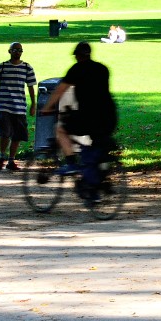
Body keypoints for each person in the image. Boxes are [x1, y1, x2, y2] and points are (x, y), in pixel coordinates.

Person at [39, 41, 117, 202]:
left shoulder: (77, 69)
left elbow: (59, 91)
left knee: (61, 129)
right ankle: (93, 190)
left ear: (77, 56)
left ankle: (71, 163)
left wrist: (46, 108)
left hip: (89, 116)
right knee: (96, 148)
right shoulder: (103, 69)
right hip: (108, 116)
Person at [0, 42, 36, 172]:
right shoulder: (1, 67)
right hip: (4, 105)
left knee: (17, 135)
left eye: (20, 50)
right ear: (9, 51)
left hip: (20, 107)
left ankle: (11, 160)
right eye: (15, 50)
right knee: (5, 132)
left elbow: (31, 87)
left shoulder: (27, 68)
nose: (18, 52)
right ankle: (2, 155)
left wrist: (33, 105)